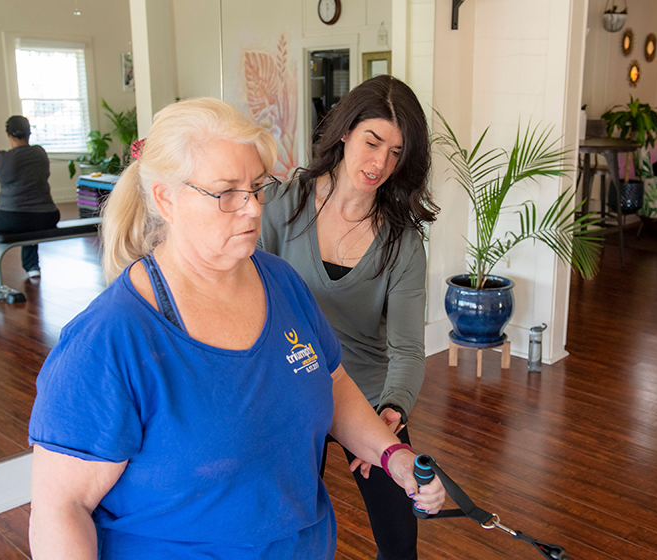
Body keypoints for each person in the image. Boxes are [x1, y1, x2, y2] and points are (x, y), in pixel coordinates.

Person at [27, 97, 444, 560]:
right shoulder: (109, 339)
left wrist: (392, 455)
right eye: (227, 193)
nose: (251, 210)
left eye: (257, 188)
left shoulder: (281, 281)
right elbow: (60, 508)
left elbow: (333, 383)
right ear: (166, 198)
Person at [258, 75, 439, 560]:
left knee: (401, 545)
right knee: (286, 535)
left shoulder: (402, 243)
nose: (380, 162)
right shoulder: (280, 206)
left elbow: (406, 348)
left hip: (367, 394)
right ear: (345, 132)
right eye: (372, 141)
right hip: (292, 389)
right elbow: (248, 298)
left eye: (396, 152)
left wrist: (393, 410)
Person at [0, 116, 60, 282]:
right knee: (31, 220)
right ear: (29, 133)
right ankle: (32, 266)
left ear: (8, 134)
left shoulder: (0, 158)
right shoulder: (40, 152)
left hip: (13, 219)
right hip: (47, 216)